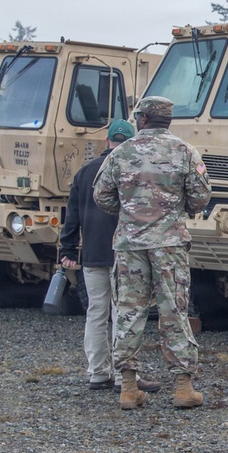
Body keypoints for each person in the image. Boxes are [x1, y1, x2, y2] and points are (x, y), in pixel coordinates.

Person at [93, 96, 212, 410]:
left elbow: (102, 196)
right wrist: (173, 211)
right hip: (169, 244)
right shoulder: (186, 152)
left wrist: (130, 211)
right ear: (167, 121)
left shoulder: (120, 153)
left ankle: (128, 388)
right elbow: (200, 198)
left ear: (141, 119)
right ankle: (184, 388)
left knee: (129, 313)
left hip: (130, 245)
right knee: (174, 311)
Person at [58, 120, 161, 395]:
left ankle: (97, 372)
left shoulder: (84, 172)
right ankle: (123, 375)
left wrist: (67, 249)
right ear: (130, 143)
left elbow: (72, 216)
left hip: (91, 253)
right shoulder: (132, 172)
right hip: (125, 254)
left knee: (96, 312)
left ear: (106, 142)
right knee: (123, 314)